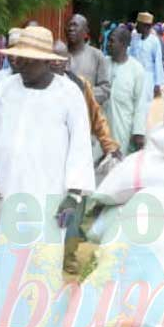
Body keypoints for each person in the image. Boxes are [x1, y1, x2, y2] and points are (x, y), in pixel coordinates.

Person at [0, 26, 95, 327]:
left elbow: (81, 147)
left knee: (40, 260)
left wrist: (74, 195)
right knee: (2, 257)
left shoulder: (68, 95)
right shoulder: (4, 89)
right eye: (18, 59)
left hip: (47, 197)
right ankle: (2, 318)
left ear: (45, 61)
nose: (21, 65)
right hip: (5, 192)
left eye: (28, 60)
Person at [51, 40, 121, 275]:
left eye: (61, 60)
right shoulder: (42, 88)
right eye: (53, 59)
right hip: (51, 161)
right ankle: (49, 252)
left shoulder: (80, 86)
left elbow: (97, 117)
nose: (57, 64)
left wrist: (109, 145)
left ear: (68, 62)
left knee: (74, 210)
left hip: (76, 158)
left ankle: (69, 256)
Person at [104, 26, 150, 154]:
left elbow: (140, 103)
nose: (108, 44)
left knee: (119, 164)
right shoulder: (103, 63)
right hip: (101, 127)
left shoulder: (136, 69)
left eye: (112, 41)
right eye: (108, 40)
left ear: (123, 44)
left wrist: (138, 132)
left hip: (123, 127)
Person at [67, 14, 111, 105]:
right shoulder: (58, 55)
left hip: (86, 115)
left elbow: (105, 90)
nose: (71, 28)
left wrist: (82, 92)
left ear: (86, 31)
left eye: (75, 25)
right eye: (69, 25)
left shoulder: (97, 56)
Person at [129, 12, 164, 98]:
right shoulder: (134, 38)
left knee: (144, 104)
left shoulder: (154, 41)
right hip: (134, 76)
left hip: (147, 78)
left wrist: (157, 84)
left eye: (139, 24)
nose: (136, 26)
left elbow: (158, 62)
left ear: (146, 26)